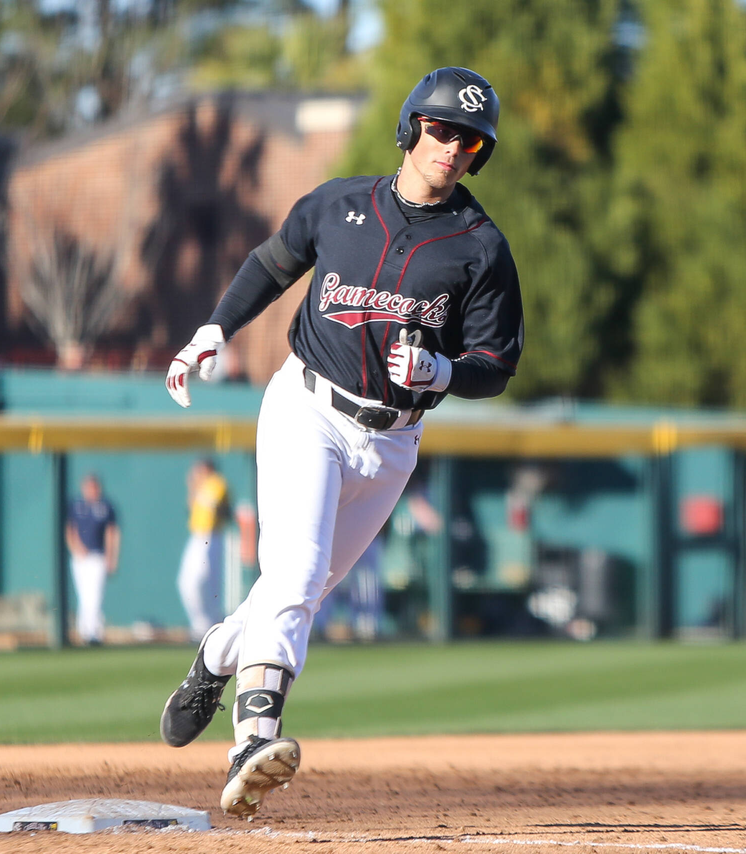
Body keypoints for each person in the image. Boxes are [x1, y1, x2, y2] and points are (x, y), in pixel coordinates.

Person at [159, 66, 522, 819]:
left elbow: (498, 365)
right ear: (412, 127)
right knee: (298, 571)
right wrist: (213, 330)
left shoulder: (481, 248)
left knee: (304, 587)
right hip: (307, 408)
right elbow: (271, 264)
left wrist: (445, 368)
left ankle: (219, 654)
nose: (451, 147)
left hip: (393, 443)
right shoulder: (339, 205)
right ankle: (253, 741)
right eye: (441, 128)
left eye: (469, 140)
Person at [178, 458, 231, 643]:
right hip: (197, 536)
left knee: (205, 581)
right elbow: (190, 507)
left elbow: (217, 508)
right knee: (186, 583)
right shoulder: (200, 485)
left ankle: (210, 625)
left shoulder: (216, 483)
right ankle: (200, 626)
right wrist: (192, 487)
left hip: (211, 536)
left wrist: (197, 485)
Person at [65, 473, 120, 646]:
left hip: (98, 557)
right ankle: (85, 632)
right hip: (80, 558)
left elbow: (112, 533)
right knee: (83, 595)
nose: (92, 490)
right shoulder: (76, 505)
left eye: (94, 487)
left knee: (94, 596)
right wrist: (76, 548)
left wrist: (112, 557)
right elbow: (69, 529)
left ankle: (94, 633)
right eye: (89, 487)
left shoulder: (106, 506)